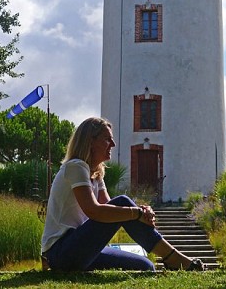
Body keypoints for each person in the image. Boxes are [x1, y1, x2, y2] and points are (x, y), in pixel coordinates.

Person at [41, 116, 205, 272]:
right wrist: (137, 213)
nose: (113, 144)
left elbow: (111, 210)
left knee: (146, 266)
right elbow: (94, 211)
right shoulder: (76, 167)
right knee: (123, 203)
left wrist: (140, 211)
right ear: (91, 141)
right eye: (107, 139)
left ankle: (171, 259)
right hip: (61, 251)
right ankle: (173, 258)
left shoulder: (96, 173)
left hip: (81, 247)